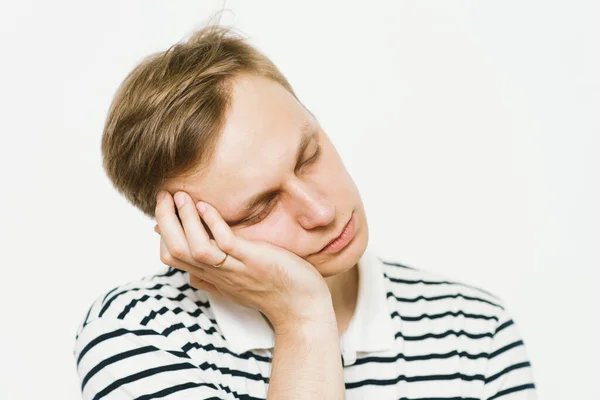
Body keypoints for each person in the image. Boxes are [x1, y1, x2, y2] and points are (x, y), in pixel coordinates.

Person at [73, 23, 537, 400]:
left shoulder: (474, 330)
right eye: (259, 208)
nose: (320, 209)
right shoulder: (139, 334)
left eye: (309, 155)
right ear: (189, 233)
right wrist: (304, 318)